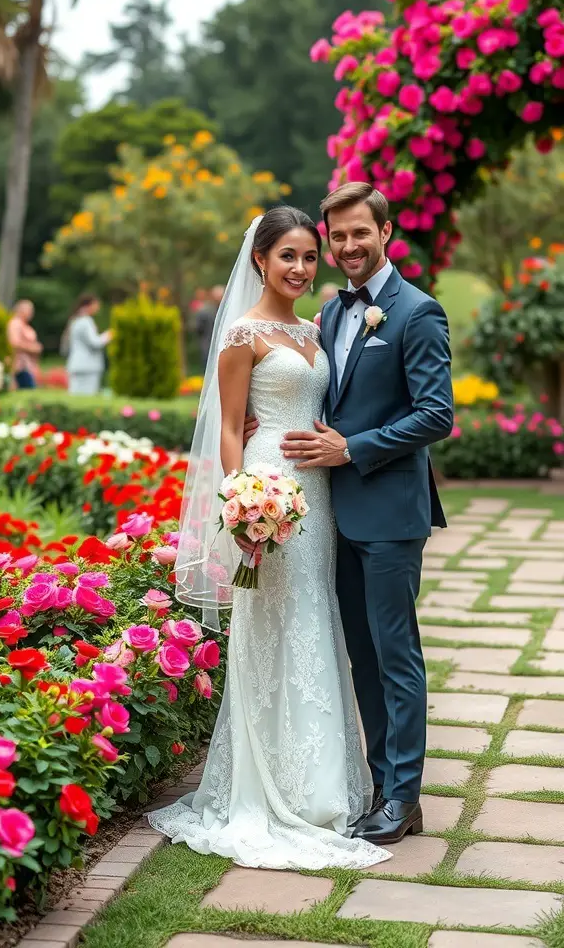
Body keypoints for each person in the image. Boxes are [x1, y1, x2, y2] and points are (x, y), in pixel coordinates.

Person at [147, 207, 390, 871]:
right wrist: (240, 504)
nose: (302, 267)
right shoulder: (242, 333)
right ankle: (269, 787)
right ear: (260, 259)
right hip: (267, 490)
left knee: (314, 621)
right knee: (273, 628)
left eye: (310, 256)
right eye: (288, 255)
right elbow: (230, 427)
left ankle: (320, 785)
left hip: (316, 496)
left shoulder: (313, 329)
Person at [277, 183, 453, 845]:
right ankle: (385, 786)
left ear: (385, 231)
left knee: (395, 654)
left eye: (360, 233)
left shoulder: (417, 312)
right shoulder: (329, 311)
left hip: (390, 514)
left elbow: (436, 414)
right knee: (362, 657)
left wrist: (353, 448)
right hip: (336, 515)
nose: (348, 246)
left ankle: (403, 796)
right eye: (339, 237)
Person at [64, 294, 112, 395]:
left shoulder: (76, 320)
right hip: (88, 366)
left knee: (75, 396)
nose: (98, 308)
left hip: (78, 364)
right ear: (89, 305)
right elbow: (95, 343)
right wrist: (109, 335)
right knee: (87, 396)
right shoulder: (85, 321)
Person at [7, 300, 42, 389]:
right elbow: (14, 342)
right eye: (29, 310)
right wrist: (33, 348)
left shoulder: (25, 325)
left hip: (29, 366)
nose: (32, 313)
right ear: (20, 310)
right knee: (28, 392)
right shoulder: (16, 323)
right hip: (21, 366)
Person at [193, 284, 225, 370]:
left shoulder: (203, 310)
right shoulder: (204, 311)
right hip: (210, 346)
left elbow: (198, 328)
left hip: (210, 346)